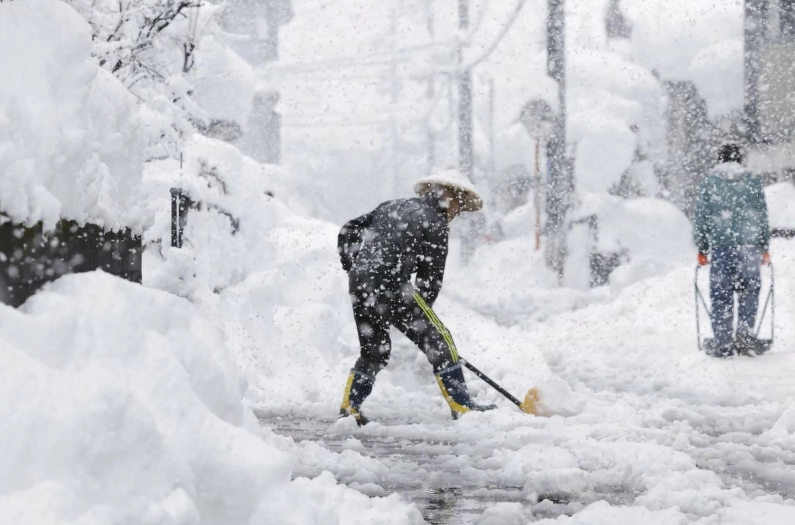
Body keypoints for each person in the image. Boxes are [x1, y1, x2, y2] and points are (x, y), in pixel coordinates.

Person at [337, 169, 496, 425]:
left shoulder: (391, 206)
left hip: (360, 284)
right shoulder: (435, 221)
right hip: (392, 284)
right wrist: (422, 319)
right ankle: (462, 405)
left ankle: (350, 406)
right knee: (441, 340)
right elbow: (430, 280)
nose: (457, 213)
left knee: (375, 350)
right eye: (459, 207)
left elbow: (349, 229)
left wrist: (354, 266)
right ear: (451, 198)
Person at [694, 143, 771, 358]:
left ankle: (723, 343)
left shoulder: (710, 182)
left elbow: (701, 216)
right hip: (749, 247)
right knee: (749, 294)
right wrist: (764, 246)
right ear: (740, 159)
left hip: (721, 247)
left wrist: (702, 247)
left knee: (721, 296)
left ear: (720, 159)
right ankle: (745, 340)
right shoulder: (752, 180)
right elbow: (761, 215)